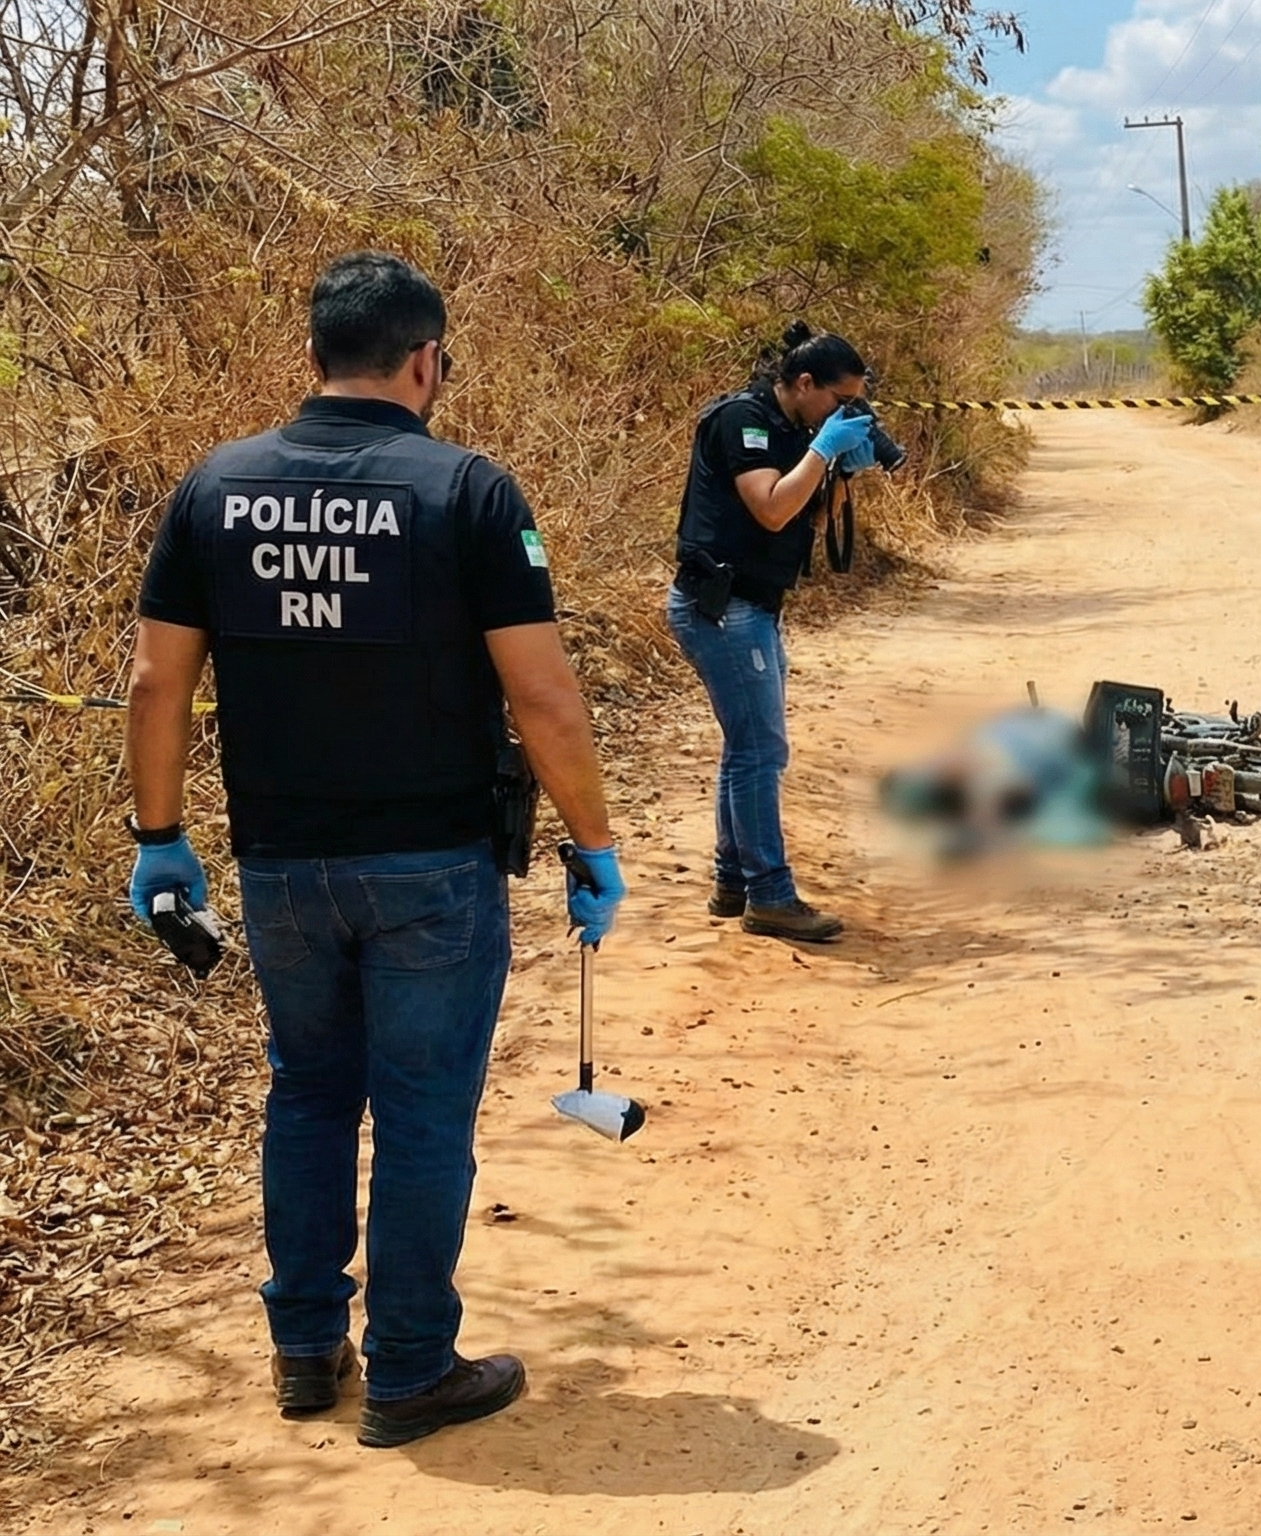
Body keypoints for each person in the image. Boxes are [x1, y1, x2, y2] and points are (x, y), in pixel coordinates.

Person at [125, 251, 625, 1448]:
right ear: (427, 360)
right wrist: (593, 842)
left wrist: (160, 839)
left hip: (279, 868)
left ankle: (305, 1348)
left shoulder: (216, 488)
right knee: (418, 1114)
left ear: (313, 358)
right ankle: (408, 1368)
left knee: (307, 1096)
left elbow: (156, 680)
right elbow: (545, 701)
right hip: (433, 870)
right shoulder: (468, 492)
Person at [669, 321, 880, 942]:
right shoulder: (743, 421)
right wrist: (823, 450)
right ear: (805, 382)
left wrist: (841, 465)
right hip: (720, 607)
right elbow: (770, 507)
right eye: (840, 401)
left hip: (753, 607)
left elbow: (808, 521)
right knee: (762, 752)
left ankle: (733, 881)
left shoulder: (796, 431)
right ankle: (770, 897)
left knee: (746, 749)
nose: (843, 411)